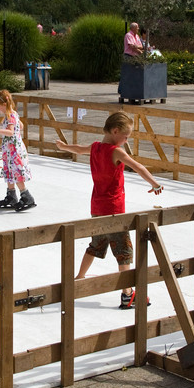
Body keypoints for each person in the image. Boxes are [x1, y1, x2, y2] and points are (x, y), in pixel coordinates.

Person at [56, 111, 163, 310]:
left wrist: (64, 146)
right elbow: (138, 167)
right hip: (114, 209)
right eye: (126, 136)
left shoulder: (96, 147)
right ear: (115, 131)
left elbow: (79, 149)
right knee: (124, 251)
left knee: (96, 244)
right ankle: (127, 294)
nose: (127, 140)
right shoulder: (116, 151)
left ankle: (78, 279)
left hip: (97, 207)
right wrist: (155, 183)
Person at [0, 89, 33, 210]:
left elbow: (11, 131)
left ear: (4, 104)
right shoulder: (12, 114)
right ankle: (11, 195)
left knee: (15, 171)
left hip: (14, 150)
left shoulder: (10, 115)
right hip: (10, 148)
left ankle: (26, 196)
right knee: (9, 171)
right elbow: (21, 126)